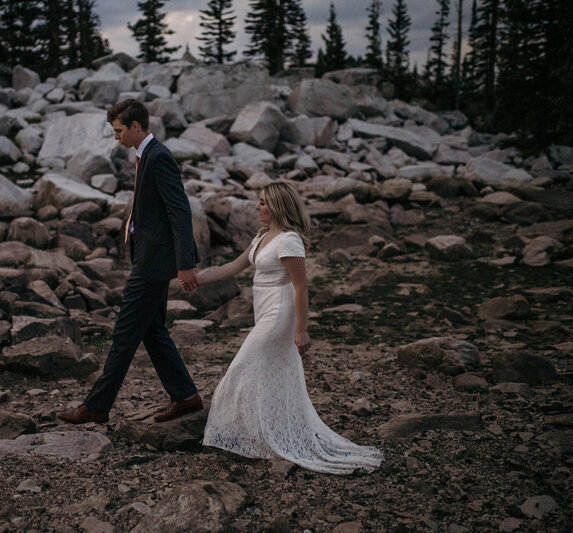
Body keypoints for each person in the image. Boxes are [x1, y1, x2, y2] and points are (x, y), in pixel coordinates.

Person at [197, 182, 383, 474]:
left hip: (279, 315)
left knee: (242, 368)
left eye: (263, 202)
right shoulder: (261, 237)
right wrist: (198, 279)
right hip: (264, 311)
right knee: (269, 374)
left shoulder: (289, 240)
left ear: (278, 206)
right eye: (258, 201)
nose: (258, 207)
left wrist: (301, 330)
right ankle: (267, 436)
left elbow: (301, 287)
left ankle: (266, 437)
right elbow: (234, 266)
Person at [58, 99, 204, 425]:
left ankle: (97, 405)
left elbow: (179, 211)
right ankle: (186, 396)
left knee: (125, 333)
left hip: (154, 264)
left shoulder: (160, 157)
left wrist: (185, 264)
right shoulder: (145, 156)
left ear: (136, 126)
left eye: (119, 130)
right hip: (147, 258)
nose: (116, 137)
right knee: (152, 330)